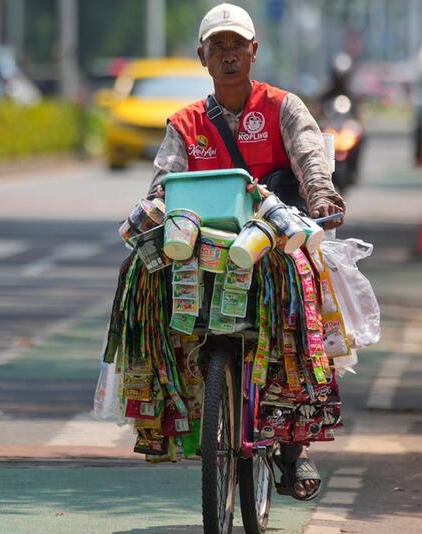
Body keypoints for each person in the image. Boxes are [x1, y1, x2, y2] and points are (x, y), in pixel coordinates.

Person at [147, 3, 344, 501]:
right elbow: (162, 183)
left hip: (272, 246)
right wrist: (150, 212)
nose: (229, 55)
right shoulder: (185, 123)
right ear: (203, 57)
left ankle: (294, 449)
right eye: (219, 47)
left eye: (238, 45)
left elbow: (309, 158)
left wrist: (321, 198)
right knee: (148, 289)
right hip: (204, 251)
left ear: (254, 51)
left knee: (299, 314)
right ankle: (178, 407)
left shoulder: (283, 107)